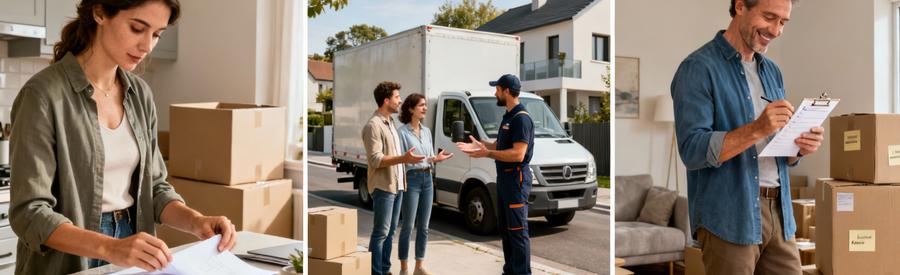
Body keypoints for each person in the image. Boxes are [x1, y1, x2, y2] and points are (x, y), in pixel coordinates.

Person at [9, 1, 236, 273]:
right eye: (137, 28)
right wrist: (111, 247)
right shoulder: (43, 95)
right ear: (100, 12)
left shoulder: (140, 95)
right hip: (70, 258)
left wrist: (196, 221)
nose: (147, 46)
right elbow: (29, 212)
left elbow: (154, 188)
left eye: (156, 34)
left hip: (134, 247)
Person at [671, 0, 822, 274]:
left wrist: (798, 149)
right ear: (740, 6)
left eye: (783, 22)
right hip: (729, 216)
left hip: (780, 213)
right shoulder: (697, 68)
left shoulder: (772, 71)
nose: (776, 30)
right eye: (769, 17)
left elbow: (774, 147)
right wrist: (757, 128)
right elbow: (692, 150)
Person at [457, 74, 534, 275]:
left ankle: (522, 273)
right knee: (507, 230)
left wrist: (488, 153)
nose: (495, 93)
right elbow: (502, 145)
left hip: (516, 180)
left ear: (506, 91)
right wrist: (482, 145)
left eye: (497, 89)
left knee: (517, 232)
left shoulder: (521, 118)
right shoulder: (508, 117)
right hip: (505, 180)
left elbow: (518, 154)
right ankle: (510, 271)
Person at [363, 81, 426, 275]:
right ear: (386, 100)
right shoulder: (373, 126)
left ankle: (385, 269)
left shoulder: (391, 122)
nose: (399, 101)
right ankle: (376, 272)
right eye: (397, 97)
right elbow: (375, 159)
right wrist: (403, 158)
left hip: (397, 185)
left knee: (390, 232)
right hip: (384, 186)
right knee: (380, 232)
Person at [396, 93, 453, 275]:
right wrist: (412, 161)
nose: (425, 108)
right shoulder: (402, 133)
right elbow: (402, 159)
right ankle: (404, 268)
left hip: (428, 179)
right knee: (408, 225)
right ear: (411, 109)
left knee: (425, 226)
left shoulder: (427, 131)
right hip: (411, 179)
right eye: (421, 105)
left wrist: (436, 158)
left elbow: (427, 157)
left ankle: (419, 267)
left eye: (425, 105)